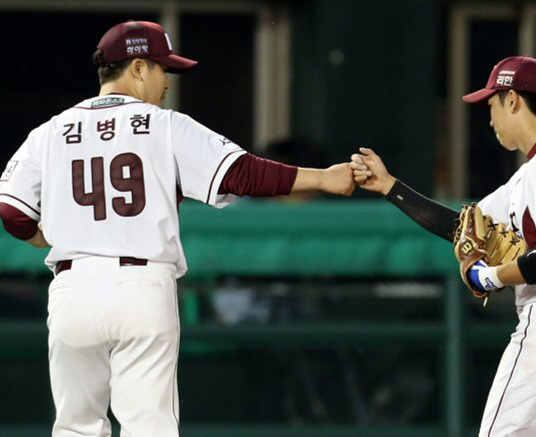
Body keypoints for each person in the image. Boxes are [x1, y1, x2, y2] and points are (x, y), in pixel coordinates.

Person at [0, 20, 354, 437]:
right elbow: (243, 174)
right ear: (136, 67)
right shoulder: (164, 125)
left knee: (75, 428)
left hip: (73, 288)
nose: (166, 81)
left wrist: (57, 238)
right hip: (140, 286)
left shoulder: (49, 132)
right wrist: (324, 178)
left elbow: (11, 212)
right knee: (149, 428)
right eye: (161, 68)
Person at [350, 56, 536, 435]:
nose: (490, 116)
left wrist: (492, 276)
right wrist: (390, 188)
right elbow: (461, 226)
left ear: (512, 100)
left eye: (492, 104)